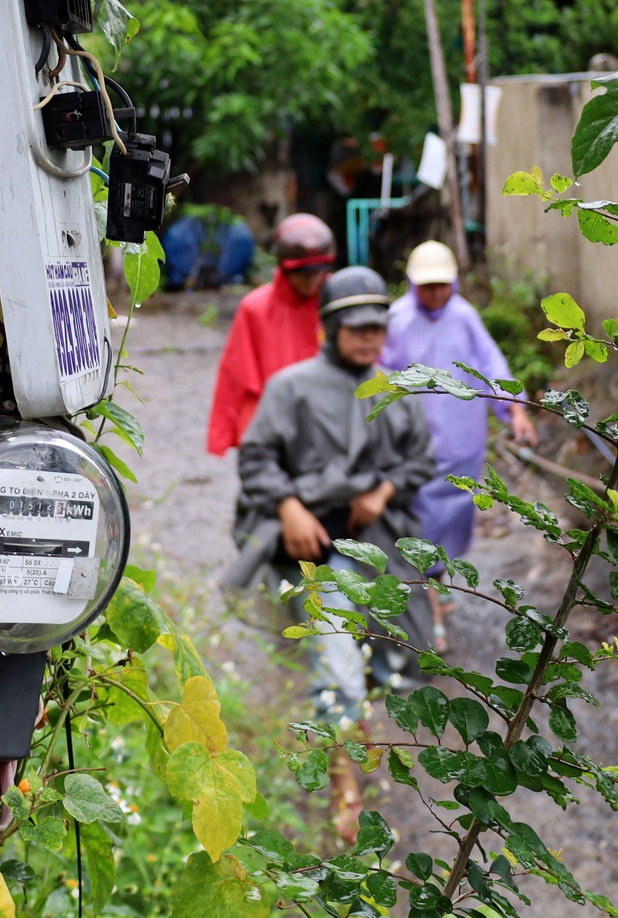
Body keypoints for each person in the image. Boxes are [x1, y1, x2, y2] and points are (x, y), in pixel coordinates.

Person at [229, 266, 433, 841]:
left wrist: (383, 490)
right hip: (315, 550)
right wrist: (289, 506)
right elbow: (256, 459)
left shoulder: (393, 389)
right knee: (338, 663)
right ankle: (346, 784)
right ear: (330, 327)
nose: (369, 337)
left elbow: (420, 458)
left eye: (377, 327)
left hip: (379, 544)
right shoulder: (290, 387)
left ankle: (356, 717)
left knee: (398, 656)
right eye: (357, 327)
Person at [383, 240, 538, 562]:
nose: (437, 294)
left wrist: (515, 410)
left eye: (442, 285)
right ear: (413, 284)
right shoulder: (397, 320)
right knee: (414, 511)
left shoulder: (464, 316)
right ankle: (420, 575)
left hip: (462, 439)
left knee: (458, 508)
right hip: (413, 441)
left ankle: (443, 572)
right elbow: (379, 373)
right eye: (428, 287)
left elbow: (491, 363)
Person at [205, 213, 334, 456]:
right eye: (302, 272)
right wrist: (224, 434)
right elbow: (236, 373)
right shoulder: (255, 308)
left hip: (331, 424)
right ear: (285, 268)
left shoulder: (339, 301)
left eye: (317, 271)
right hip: (275, 426)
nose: (310, 280)